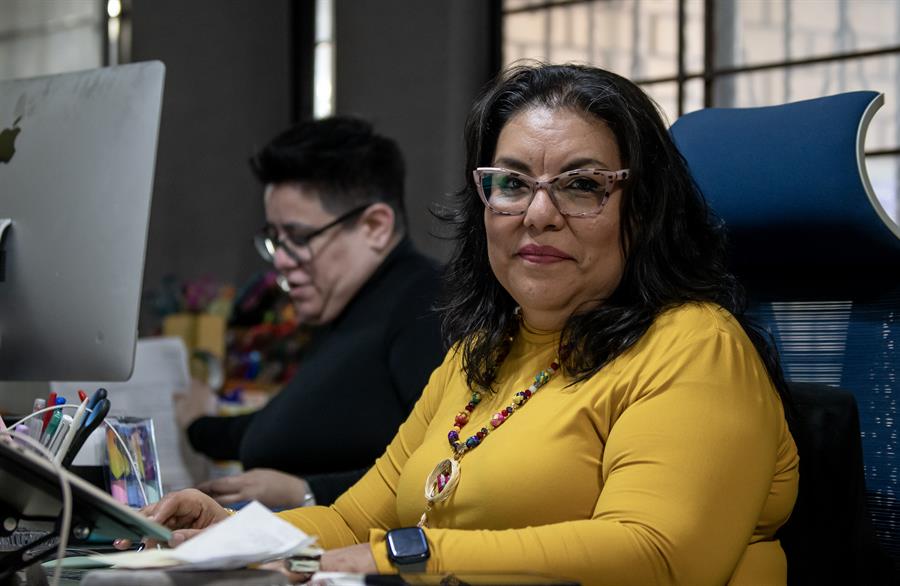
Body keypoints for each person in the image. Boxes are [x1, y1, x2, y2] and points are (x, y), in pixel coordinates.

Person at [137, 64, 799, 585]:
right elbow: (352, 519)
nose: (537, 214)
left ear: (644, 209)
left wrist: (404, 557)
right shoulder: (480, 352)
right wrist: (230, 533)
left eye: (581, 185)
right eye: (511, 184)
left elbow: (657, 555)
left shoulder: (694, 344)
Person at [178, 116, 445, 509]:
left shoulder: (426, 303)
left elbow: (448, 468)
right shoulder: (349, 308)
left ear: (374, 226)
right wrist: (199, 424)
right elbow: (294, 423)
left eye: (300, 238)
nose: (281, 260)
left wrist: (307, 493)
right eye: (275, 239)